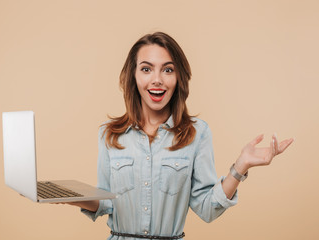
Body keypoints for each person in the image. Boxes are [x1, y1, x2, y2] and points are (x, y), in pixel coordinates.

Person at [65, 32, 294, 239]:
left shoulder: (197, 133)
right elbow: (106, 202)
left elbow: (207, 208)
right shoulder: (109, 134)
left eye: (168, 69)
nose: (157, 79)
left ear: (178, 78)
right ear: (133, 76)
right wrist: (67, 196)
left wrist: (240, 167)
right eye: (146, 69)